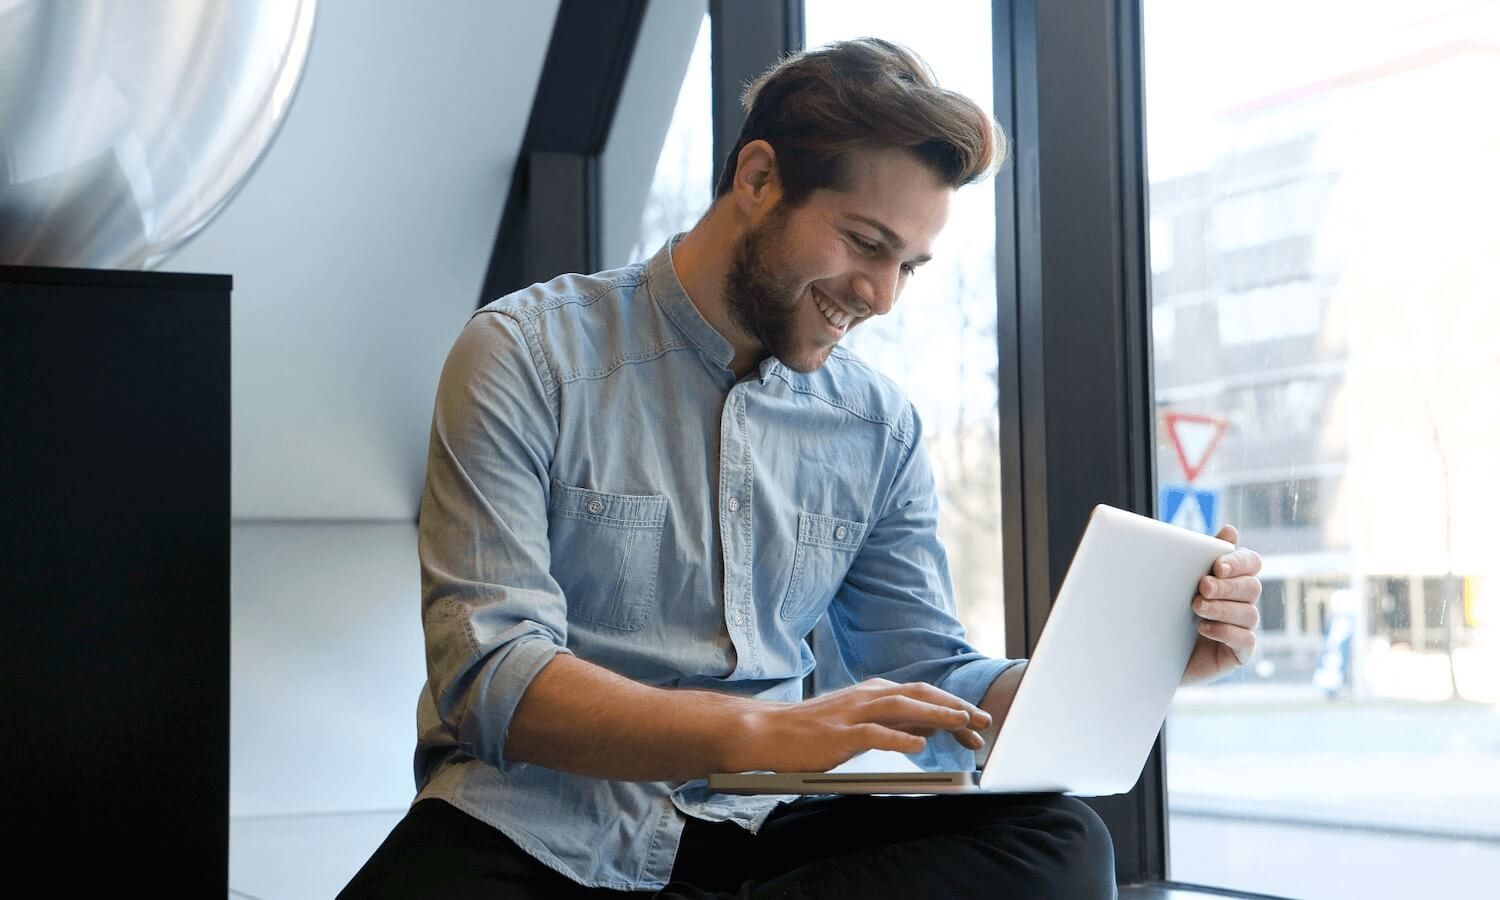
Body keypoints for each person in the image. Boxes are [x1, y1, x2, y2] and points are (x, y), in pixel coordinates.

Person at [340, 38, 1263, 899]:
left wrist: (1147, 661)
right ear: (757, 177)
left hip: (762, 834)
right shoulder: (525, 354)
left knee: (1061, 845)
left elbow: (930, 674)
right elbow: (495, 676)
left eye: (911, 265)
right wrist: (764, 730)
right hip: (536, 833)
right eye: (865, 244)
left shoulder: (876, 426)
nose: (882, 297)